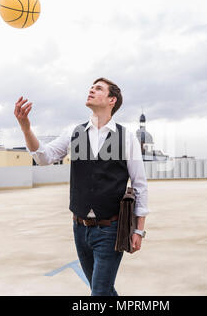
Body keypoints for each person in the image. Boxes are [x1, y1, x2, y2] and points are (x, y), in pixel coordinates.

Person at [14, 77, 149, 296]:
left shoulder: (126, 138)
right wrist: (26, 128)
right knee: (103, 290)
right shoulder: (74, 132)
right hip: (80, 228)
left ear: (111, 100)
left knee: (99, 293)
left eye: (98, 88)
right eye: (91, 87)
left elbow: (140, 184)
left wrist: (139, 230)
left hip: (111, 229)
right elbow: (43, 157)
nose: (91, 90)